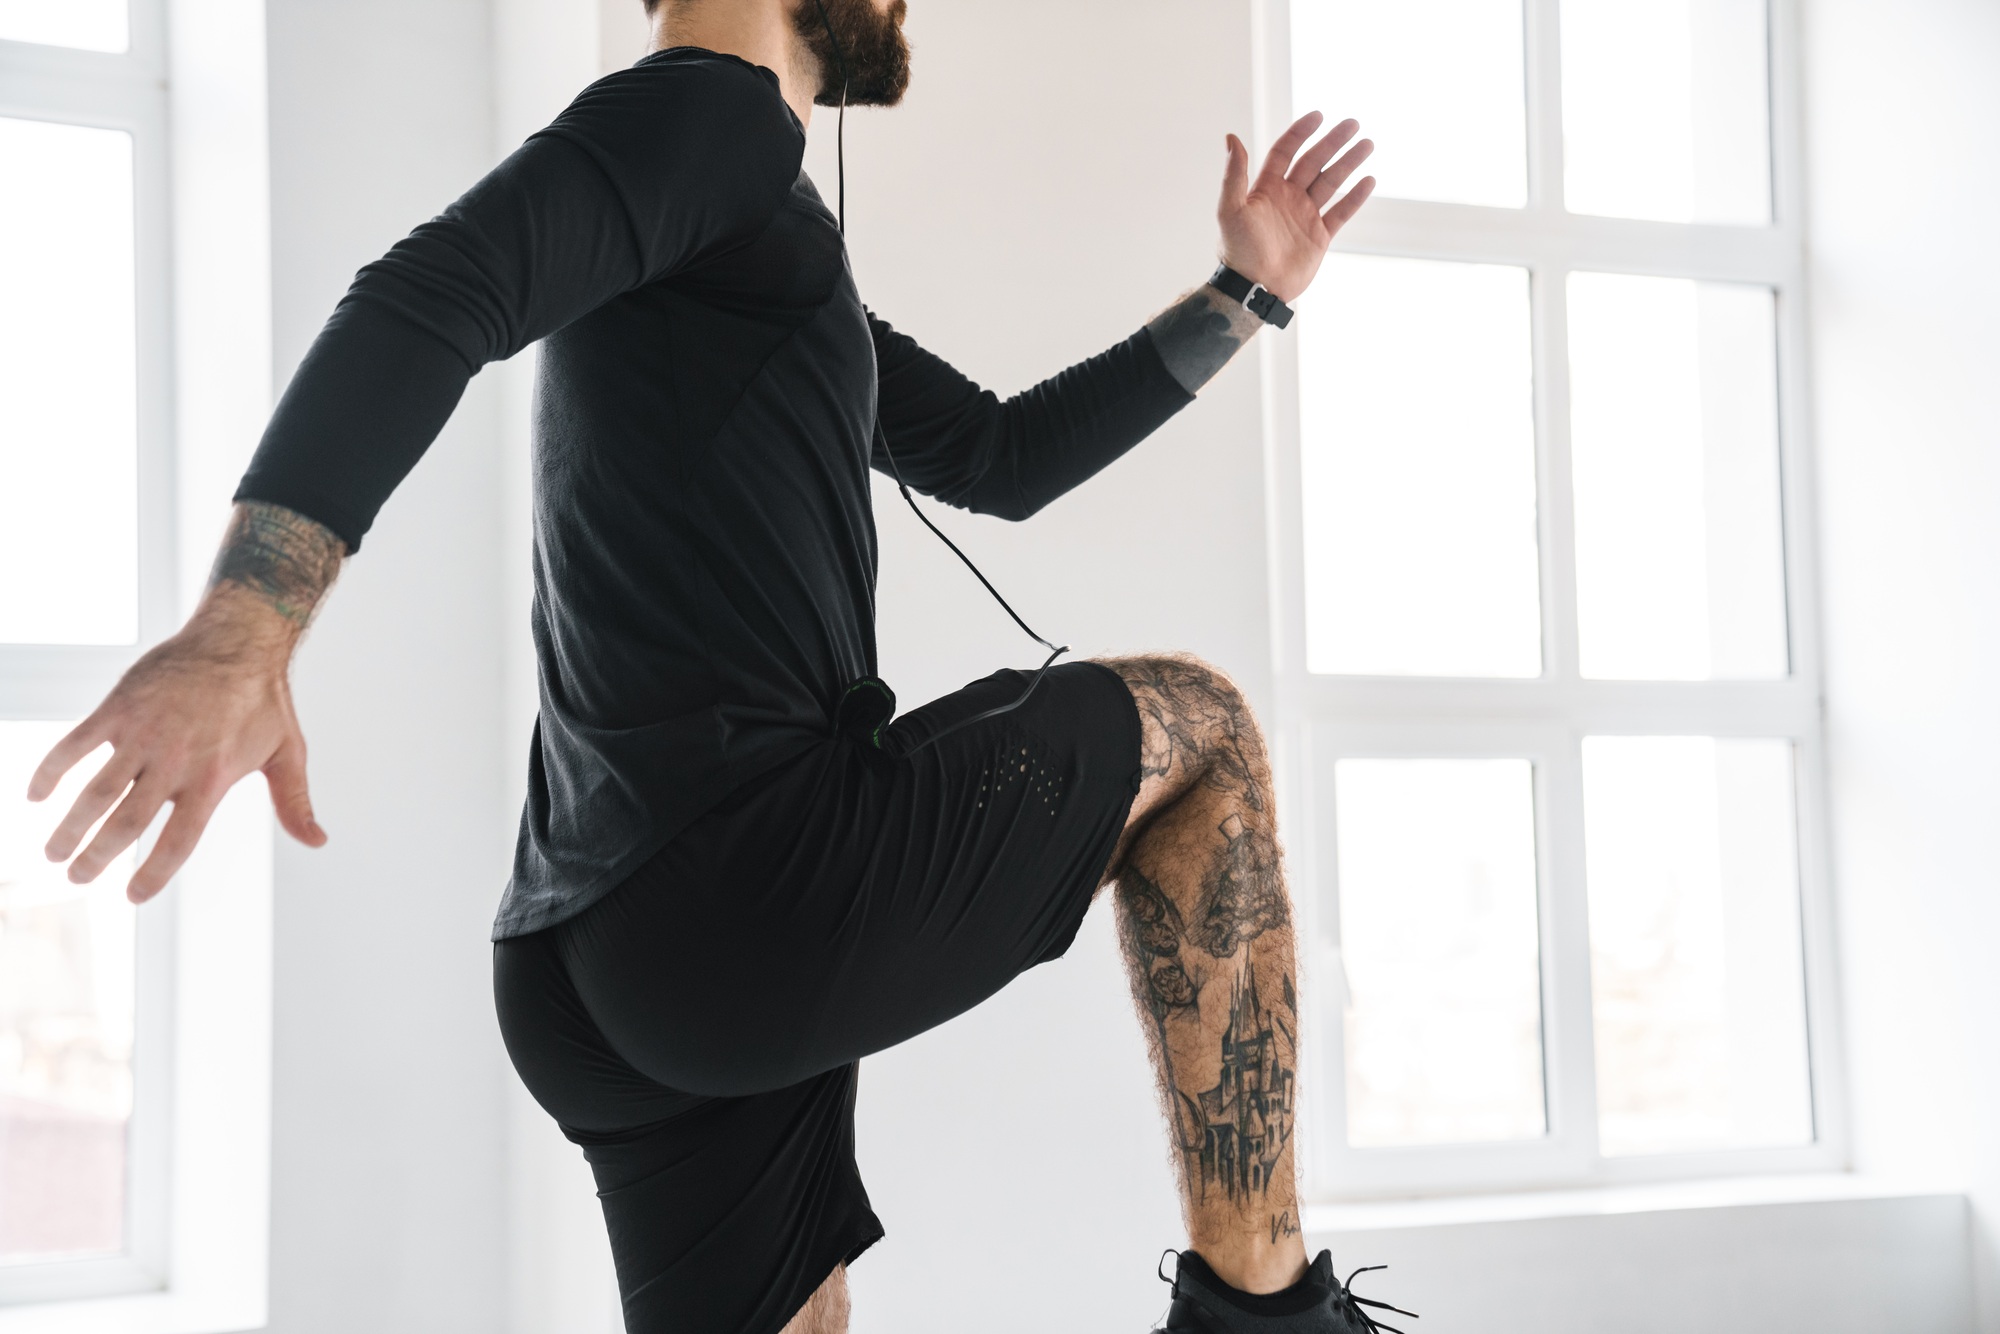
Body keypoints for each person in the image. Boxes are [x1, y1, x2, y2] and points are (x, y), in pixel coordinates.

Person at [30, 1, 1400, 1331]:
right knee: (1202, 730)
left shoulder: (741, 226)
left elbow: (1001, 457)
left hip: (598, 950)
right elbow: (438, 286)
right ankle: (1265, 1318)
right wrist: (242, 627)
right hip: (744, 888)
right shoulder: (709, 115)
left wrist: (1248, 294)